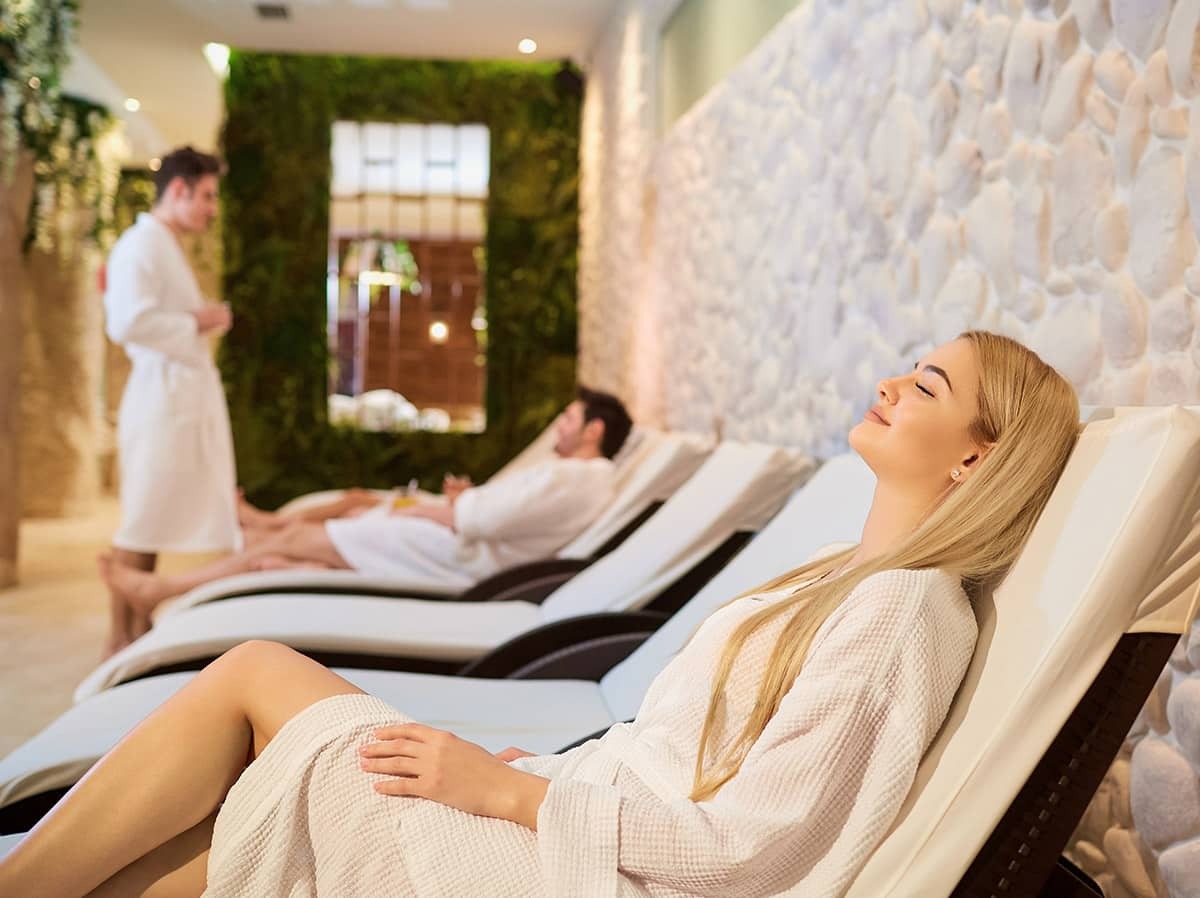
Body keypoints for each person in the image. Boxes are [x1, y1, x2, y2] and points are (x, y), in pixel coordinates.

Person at [0, 332, 1080, 897]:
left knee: (255, 674)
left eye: (926, 387)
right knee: (245, 822)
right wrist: (550, 773)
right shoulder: (847, 581)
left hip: (587, 875)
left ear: (975, 458)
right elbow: (679, 755)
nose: (890, 384)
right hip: (580, 823)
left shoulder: (900, 616)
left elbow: (755, 851)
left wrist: (510, 794)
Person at [97, 387, 633, 619]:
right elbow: (496, 513)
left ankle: (161, 590)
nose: (558, 426)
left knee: (295, 537)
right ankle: (256, 556)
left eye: (569, 418)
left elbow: (482, 519)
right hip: (457, 542)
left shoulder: (577, 478)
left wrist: (427, 510)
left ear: (594, 431)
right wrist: (460, 504)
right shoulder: (582, 478)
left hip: (457, 555)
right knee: (283, 554)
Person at [102, 146, 239, 656]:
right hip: (159, 401)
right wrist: (196, 320)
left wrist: (196, 320)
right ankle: (118, 638)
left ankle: (136, 630)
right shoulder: (140, 245)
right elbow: (126, 322)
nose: (212, 209)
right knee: (141, 518)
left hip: (175, 398)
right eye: (206, 196)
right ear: (178, 190)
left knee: (153, 518)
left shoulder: (163, 244)